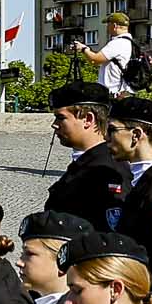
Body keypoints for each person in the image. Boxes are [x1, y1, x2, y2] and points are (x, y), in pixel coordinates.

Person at [43, 84, 133, 224]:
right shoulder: (86, 161)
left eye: (61, 118)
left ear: (88, 119)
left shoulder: (107, 170)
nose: (54, 125)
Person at [97, 13, 137, 97]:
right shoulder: (130, 42)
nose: (107, 28)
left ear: (114, 26)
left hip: (114, 92)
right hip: (125, 91)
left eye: (108, 25)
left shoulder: (117, 43)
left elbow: (95, 60)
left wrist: (83, 49)